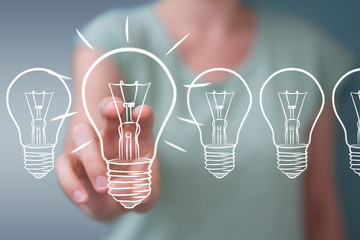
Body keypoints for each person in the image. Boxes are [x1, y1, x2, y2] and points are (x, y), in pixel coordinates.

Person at [55, 0, 355, 239]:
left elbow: (320, 209)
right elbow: (99, 189)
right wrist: (110, 186)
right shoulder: (111, 39)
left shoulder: (309, 51)